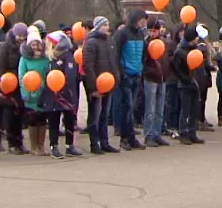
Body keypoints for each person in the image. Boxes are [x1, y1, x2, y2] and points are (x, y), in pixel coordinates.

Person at [43, 30, 83, 159]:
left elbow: (70, 75)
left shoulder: (67, 56)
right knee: (54, 121)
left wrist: (65, 89)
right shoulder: (50, 58)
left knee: (69, 120)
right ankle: (53, 146)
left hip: (66, 94)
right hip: (52, 94)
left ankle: (69, 145)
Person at [82, 16, 119, 155]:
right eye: (103, 25)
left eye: (107, 24)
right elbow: (88, 66)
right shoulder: (91, 42)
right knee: (95, 116)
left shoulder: (109, 41)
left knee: (104, 115)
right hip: (97, 85)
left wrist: (116, 77)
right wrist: (93, 87)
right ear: (97, 26)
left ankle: (105, 142)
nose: (106, 27)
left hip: (108, 83)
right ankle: (94, 143)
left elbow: (114, 61)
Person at [114, 9, 148, 150]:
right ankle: (124, 138)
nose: (143, 23)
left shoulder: (140, 34)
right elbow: (116, 54)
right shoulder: (122, 33)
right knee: (126, 107)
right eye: (142, 20)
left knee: (132, 107)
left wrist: (141, 67)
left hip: (136, 73)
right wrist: (121, 72)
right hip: (126, 74)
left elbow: (143, 53)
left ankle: (131, 137)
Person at [0, 23, 28, 155]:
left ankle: (19, 142)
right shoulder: (5, 47)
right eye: (19, 35)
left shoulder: (25, 47)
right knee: (10, 114)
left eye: (23, 35)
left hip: (23, 83)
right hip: (9, 84)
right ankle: (12, 143)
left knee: (20, 114)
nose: (21, 38)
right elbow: (1, 68)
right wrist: (4, 84)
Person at [18, 27, 50, 156]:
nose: (35, 47)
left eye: (37, 44)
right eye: (32, 44)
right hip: (30, 94)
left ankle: (41, 146)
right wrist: (26, 93)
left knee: (42, 120)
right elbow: (22, 77)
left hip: (43, 94)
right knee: (33, 120)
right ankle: (33, 146)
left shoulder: (45, 59)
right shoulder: (24, 59)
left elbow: (49, 75)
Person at [141, 19, 170, 148]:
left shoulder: (163, 43)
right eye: (150, 31)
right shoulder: (145, 44)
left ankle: (157, 134)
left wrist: (166, 72)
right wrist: (151, 72)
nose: (152, 33)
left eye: (155, 31)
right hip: (150, 79)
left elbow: (167, 60)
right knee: (150, 110)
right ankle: (148, 135)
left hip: (162, 79)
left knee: (160, 109)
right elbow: (143, 62)